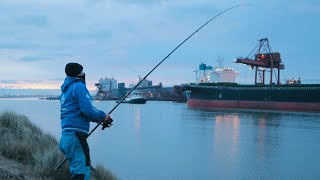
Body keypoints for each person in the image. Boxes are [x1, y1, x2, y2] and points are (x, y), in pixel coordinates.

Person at [59, 62, 111, 180]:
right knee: (82, 174)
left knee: (76, 171)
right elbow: (87, 110)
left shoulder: (65, 91)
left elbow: (76, 112)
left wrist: (98, 119)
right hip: (76, 137)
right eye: (82, 71)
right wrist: (103, 116)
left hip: (66, 137)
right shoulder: (79, 86)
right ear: (78, 73)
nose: (84, 74)